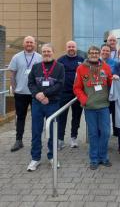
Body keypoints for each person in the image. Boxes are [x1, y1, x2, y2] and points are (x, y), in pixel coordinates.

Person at [73, 46, 113, 170]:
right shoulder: (81, 68)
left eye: (96, 53)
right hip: (90, 107)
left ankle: (103, 157)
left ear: (99, 54)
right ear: (88, 54)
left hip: (104, 106)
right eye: (92, 53)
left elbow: (111, 82)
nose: (94, 54)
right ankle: (94, 159)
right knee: (93, 133)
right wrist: (85, 100)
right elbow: (77, 87)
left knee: (106, 133)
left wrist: (114, 79)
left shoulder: (106, 67)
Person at [27, 43, 65, 171]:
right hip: (37, 103)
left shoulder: (60, 67)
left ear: (53, 52)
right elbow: (31, 83)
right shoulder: (36, 66)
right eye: (44, 51)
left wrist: (45, 94)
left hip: (53, 103)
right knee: (36, 131)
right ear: (41, 53)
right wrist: (37, 94)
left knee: (53, 131)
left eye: (49, 51)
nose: (46, 53)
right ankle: (35, 159)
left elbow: (59, 85)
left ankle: (52, 156)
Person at [8, 36, 42, 152]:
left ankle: (36, 141)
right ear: (24, 44)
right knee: (20, 117)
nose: (29, 44)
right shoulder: (16, 57)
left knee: (36, 118)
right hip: (21, 93)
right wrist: (14, 88)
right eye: (27, 42)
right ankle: (19, 140)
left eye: (31, 42)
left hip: (35, 94)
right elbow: (12, 74)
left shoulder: (39, 57)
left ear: (35, 44)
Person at [57, 41, 84, 149]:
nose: (71, 48)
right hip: (63, 93)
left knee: (76, 116)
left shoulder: (81, 60)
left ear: (76, 48)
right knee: (61, 117)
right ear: (66, 48)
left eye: (73, 46)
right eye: (69, 47)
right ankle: (60, 139)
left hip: (77, 93)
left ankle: (74, 138)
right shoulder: (60, 60)